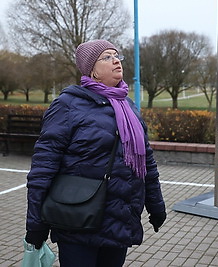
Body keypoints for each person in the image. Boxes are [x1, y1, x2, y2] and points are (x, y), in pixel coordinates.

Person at [24, 40, 167, 267]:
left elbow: (146, 163)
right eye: (107, 57)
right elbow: (43, 168)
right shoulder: (68, 105)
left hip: (119, 221)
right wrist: (35, 224)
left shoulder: (128, 108)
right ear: (92, 69)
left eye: (116, 55)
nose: (116, 60)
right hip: (78, 220)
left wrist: (156, 206)